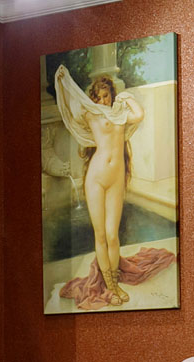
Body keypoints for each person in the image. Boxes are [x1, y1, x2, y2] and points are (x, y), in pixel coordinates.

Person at [54, 65, 144, 305]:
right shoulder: (91, 114)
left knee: (113, 236)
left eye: (107, 96)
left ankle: (114, 283)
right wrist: (64, 80)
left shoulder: (120, 114)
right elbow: (72, 104)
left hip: (115, 178)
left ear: (112, 96)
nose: (103, 100)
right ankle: (112, 288)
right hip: (96, 177)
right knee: (101, 234)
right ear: (94, 99)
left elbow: (139, 114)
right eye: (99, 97)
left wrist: (125, 97)